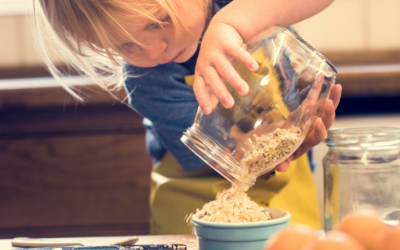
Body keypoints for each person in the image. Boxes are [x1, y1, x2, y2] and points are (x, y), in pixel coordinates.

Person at [33, 0, 342, 234]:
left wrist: (233, 22)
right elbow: (237, 153)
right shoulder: (146, 82)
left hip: (290, 209)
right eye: (125, 44)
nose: (154, 50)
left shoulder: (237, 8)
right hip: (193, 225)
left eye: (160, 21)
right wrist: (290, 135)